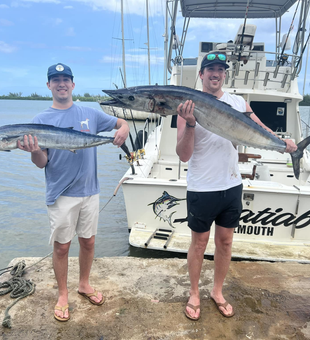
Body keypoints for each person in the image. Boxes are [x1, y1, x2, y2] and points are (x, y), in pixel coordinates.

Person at [176, 51, 297, 321]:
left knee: (226, 242)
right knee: (199, 244)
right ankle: (194, 292)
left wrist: (282, 143)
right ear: (202, 74)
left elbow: (257, 127)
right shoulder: (186, 106)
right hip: (202, 187)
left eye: (220, 69)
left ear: (224, 74)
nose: (215, 73)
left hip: (231, 185)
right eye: (210, 69)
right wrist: (192, 125)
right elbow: (183, 155)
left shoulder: (238, 102)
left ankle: (217, 292)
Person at [18, 63, 129, 322]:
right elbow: (42, 163)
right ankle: (62, 294)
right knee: (62, 248)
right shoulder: (39, 120)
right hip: (61, 194)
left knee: (88, 242)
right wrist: (35, 150)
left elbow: (120, 122)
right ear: (48, 86)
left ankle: (84, 284)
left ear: (73, 84)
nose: (61, 83)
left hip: (90, 191)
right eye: (55, 80)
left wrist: (123, 128)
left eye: (65, 79)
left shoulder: (89, 114)